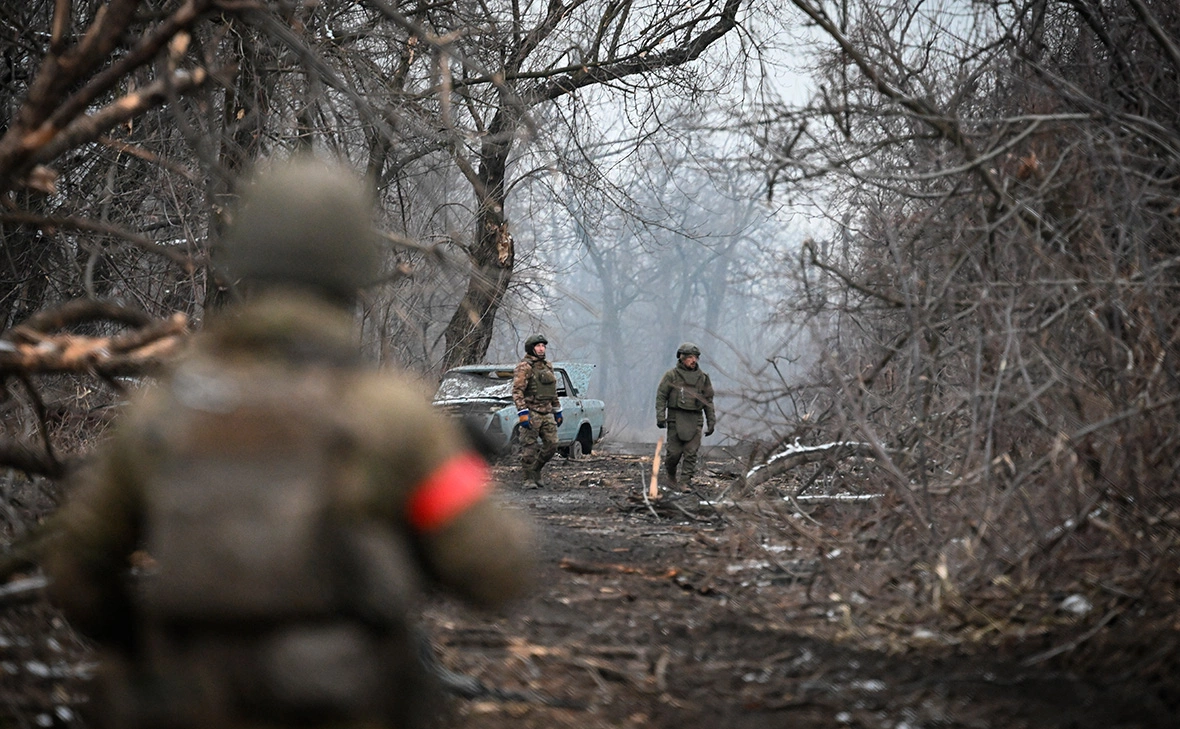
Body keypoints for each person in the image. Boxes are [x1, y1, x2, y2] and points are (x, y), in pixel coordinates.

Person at [43, 156, 534, 729]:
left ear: (247, 258)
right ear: (354, 269)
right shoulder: (391, 417)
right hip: (344, 702)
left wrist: (150, 645)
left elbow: (78, 568)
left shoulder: (165, 410)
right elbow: (498, 571)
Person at [655, 342, 716, 487]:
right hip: (675, 418)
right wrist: (660, 416)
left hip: (695, 419)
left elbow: (708, 401)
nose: (693, 360)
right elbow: (661, 395)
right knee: (673, 454)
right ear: (682, 358)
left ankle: (685, 482)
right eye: (689, 357)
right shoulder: (671, 376)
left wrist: (711, 422)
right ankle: (670, 474)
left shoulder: (703, 378)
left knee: (691, 453)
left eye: (695, 357)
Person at [512, 333, 562, 487]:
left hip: (546, 411)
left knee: (552, 445)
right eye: (538, 346)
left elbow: (552, 390)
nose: (541, 349)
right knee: (529, 448)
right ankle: (528, 479)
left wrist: (557, 409)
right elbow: (517, 391)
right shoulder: (524, 367)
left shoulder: (548, 366)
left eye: (543, 346)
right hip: (531, 410)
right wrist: (523, 412)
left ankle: (536, 470)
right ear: (531, 348)